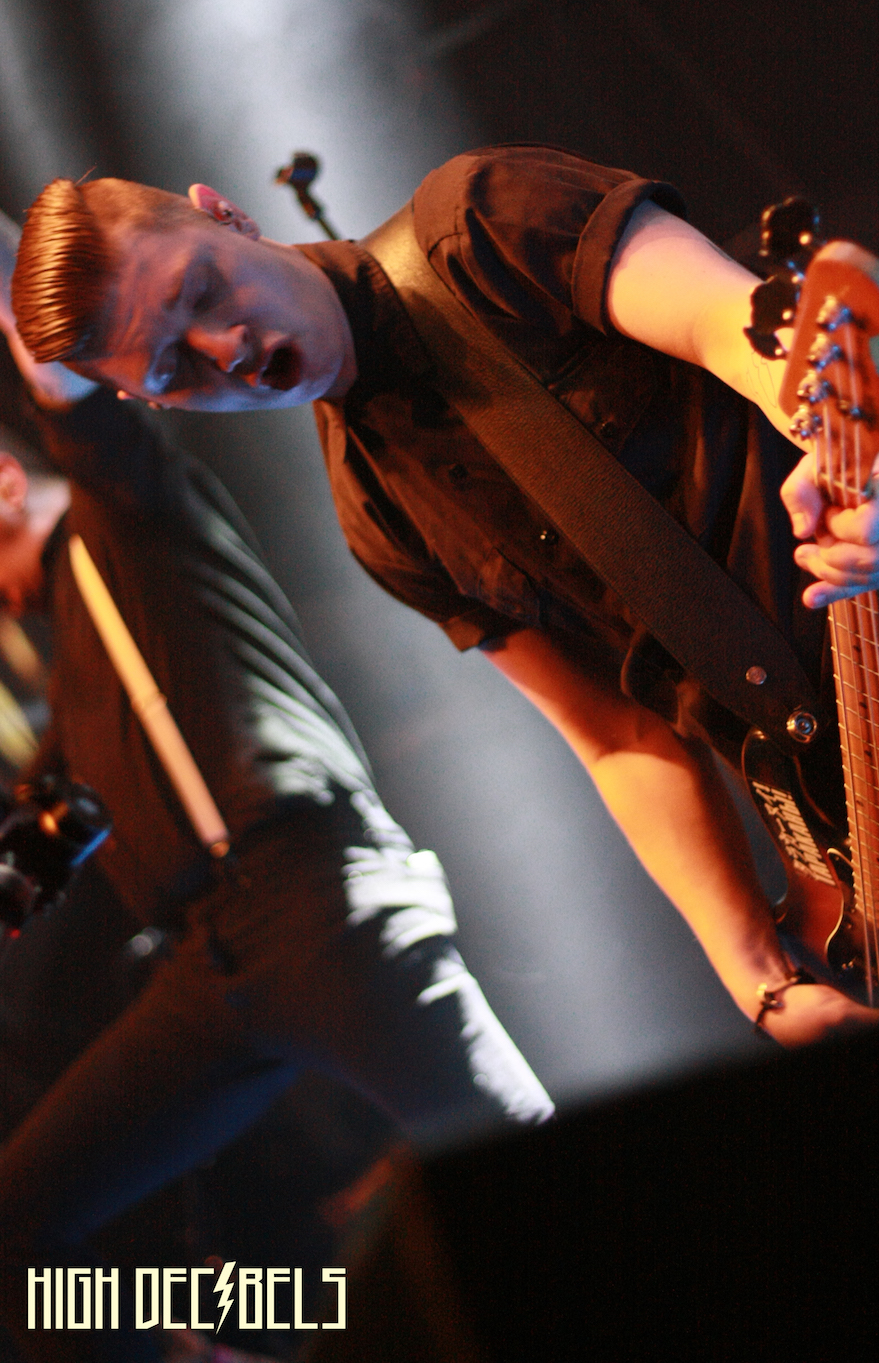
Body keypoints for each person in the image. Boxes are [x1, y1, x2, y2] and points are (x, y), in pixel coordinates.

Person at [11, 146, 879, 1056]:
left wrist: (870, 467)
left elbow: (735, 327)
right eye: (173, 369)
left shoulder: (481, 222)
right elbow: (617, 735)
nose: (223, 349)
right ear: (152, 404)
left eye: (201, 291)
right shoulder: (375, 518)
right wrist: (759, 981)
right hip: (830, 801)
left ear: (224, 214)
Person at [0, 226, 553, 1363]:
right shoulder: (74, 693)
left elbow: (50, 343)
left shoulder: (127, 508)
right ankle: (253, 1340)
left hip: (311, 904)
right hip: (212, 967)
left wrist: (21, 270)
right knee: (20, 1231)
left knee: (538, 1183)